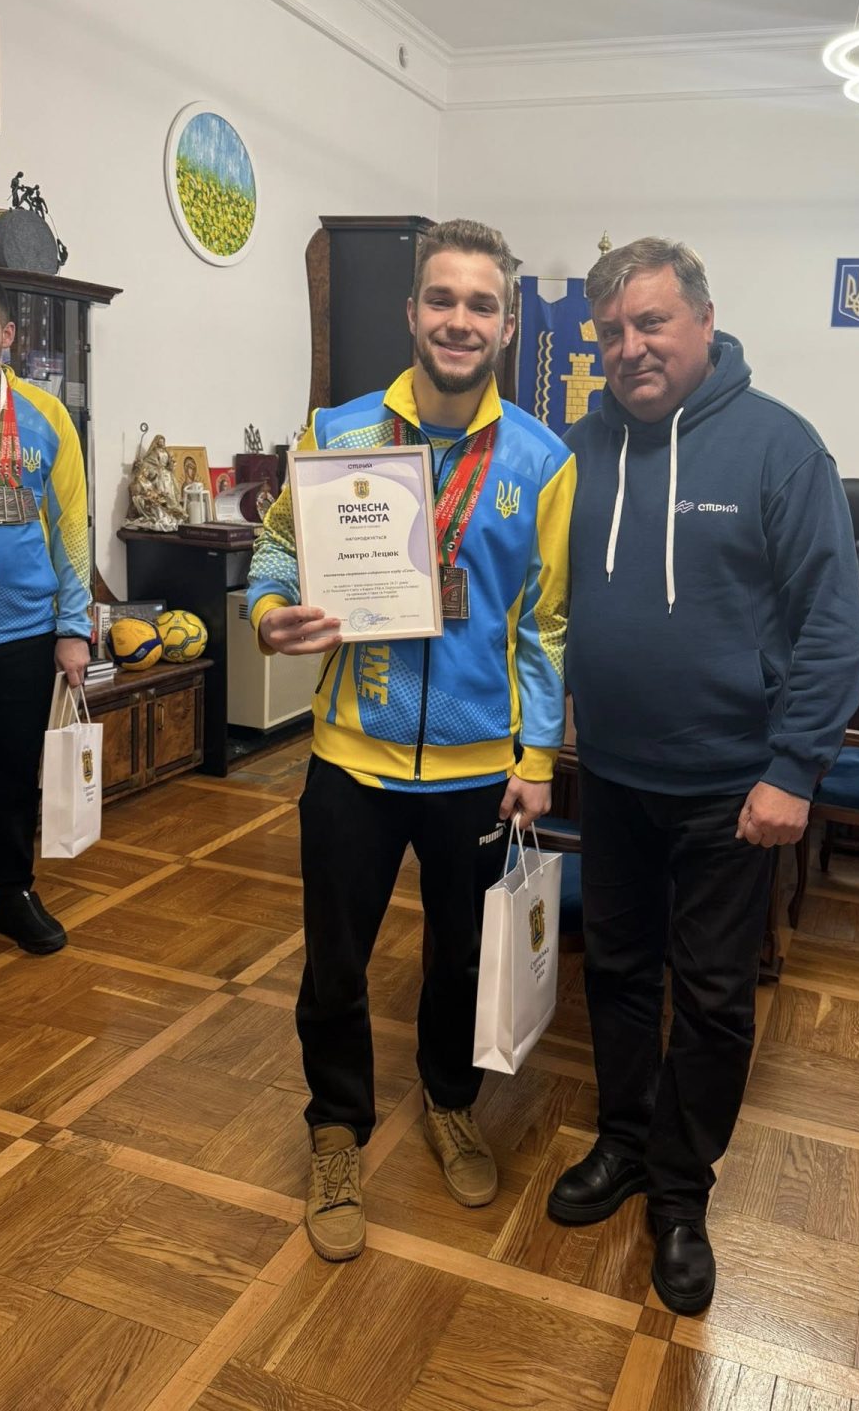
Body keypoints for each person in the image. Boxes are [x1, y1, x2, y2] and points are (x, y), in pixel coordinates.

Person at [546, 238, 859, 1315]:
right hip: (613, 774)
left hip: (735, 788)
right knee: (617, 972)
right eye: (611, 331)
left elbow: (834, 625)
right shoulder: (578, 449)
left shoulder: (782, 448)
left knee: (717, 997)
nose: (630, 347)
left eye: (652, 323)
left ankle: (682, 1195)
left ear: (704, 321)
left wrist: (794, 768)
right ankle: (624, 1141)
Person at [247, 218, 574, 1263]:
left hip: (478, 769)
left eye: (482, 304)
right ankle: (336, 1129)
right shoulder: (340, 433)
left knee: (460, 959)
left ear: (507, 325)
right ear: (411, 312)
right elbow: (274, 553)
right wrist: (267, 613)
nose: (459, 321)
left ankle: (449, 1100)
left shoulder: (543, 462)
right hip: (352, 755)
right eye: (443, 299)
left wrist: (536, 759)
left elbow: (546, 626)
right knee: (335, 964)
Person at [0, 277, 92, 955]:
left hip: (21, 630)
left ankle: (11, 892)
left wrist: (74, 628)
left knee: (11, 771)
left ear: (6, 335)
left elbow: (72, 529)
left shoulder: (46, 416)